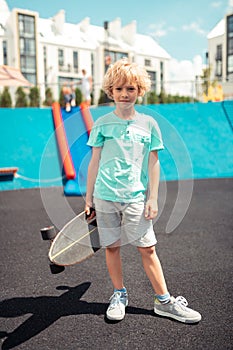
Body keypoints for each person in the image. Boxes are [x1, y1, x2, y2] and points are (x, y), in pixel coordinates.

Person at [85, 58, 201, 323]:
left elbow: (154, 162)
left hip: (135, 197)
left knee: (147, 249)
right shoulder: (102, 123)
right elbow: (94, 161)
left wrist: (152, 197)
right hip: (104, 197)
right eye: (119, 89)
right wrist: (89, 197)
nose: (125, 94)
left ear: (139, 91)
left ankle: (165, 302)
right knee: (112, 248)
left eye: (131, 89)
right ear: (110, 92)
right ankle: (119, 294)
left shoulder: (149, 124)